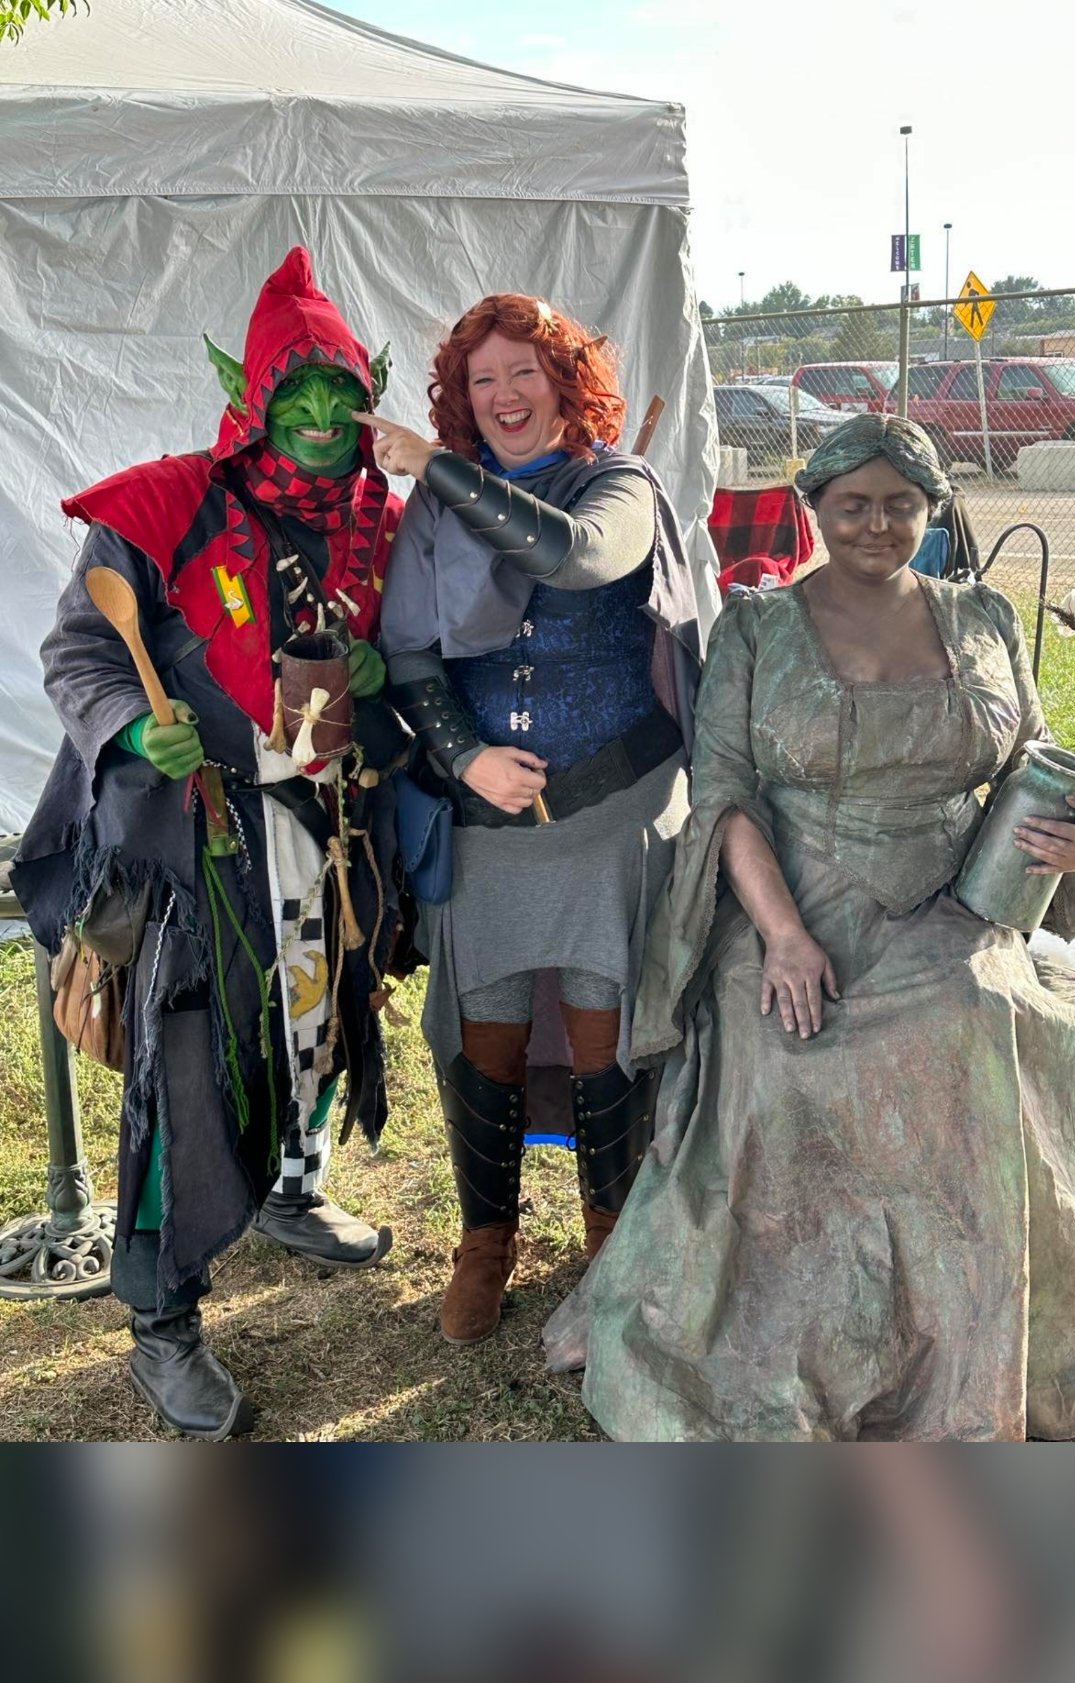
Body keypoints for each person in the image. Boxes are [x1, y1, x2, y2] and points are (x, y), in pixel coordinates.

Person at [543, 413, 1075, 1441]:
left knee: (979, 1019)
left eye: (901, 505)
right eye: (853, 505)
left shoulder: (985, 617)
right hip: (794, 896)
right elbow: (727, 793)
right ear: (815, 507)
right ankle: (799, 1329)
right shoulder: (758, 627)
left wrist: (1065, 840)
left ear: (932, 509)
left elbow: (1033, 759)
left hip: (957, 899)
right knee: (788, 1050)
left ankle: (968, 1329)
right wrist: (783, 935)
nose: (878, 524)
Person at [14, 249, 405, 1438]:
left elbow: (411, 663)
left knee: (314, 1020)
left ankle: (292, 1188)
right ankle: (163, 1317)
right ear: (249, 394)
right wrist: (136, 726)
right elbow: (81, 654)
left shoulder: (382, 523)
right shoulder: (162, 506)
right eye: (299, 394)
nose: (322, 419)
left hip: (320, 829)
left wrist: (379, 678)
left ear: (370, 396)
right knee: (185, 1065)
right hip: (194, 843)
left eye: (342, 394)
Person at [368, 293, 703, 1343]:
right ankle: (486, 1243)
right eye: (483, 380)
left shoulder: (619, 483)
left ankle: (611, 1241)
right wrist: (464, 756)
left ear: (566, 381)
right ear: (462, 397)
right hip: (487, 815)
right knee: (488, 1030)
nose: (505, 395)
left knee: (609, 1029)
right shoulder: (435, 509)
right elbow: (408, 650)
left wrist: (442, 468)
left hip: (615, 803)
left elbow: (577, 556)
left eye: (526, 371)